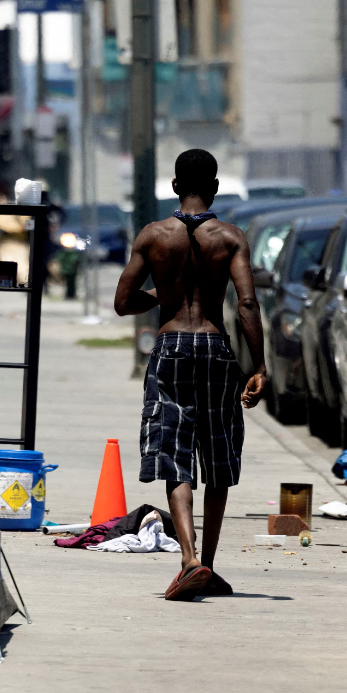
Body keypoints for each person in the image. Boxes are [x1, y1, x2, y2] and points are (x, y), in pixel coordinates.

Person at [113, 149, 266, 601]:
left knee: (174, 454)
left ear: (176, 186)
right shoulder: (231, 237)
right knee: (217, 456)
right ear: (215, 187)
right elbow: (247, 305)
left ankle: (189, 560)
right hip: (216, 347)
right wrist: (258, 365)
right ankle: (210, 565)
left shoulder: (154, 235)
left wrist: (162, 298)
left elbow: (124, 301)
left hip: (172, 346)